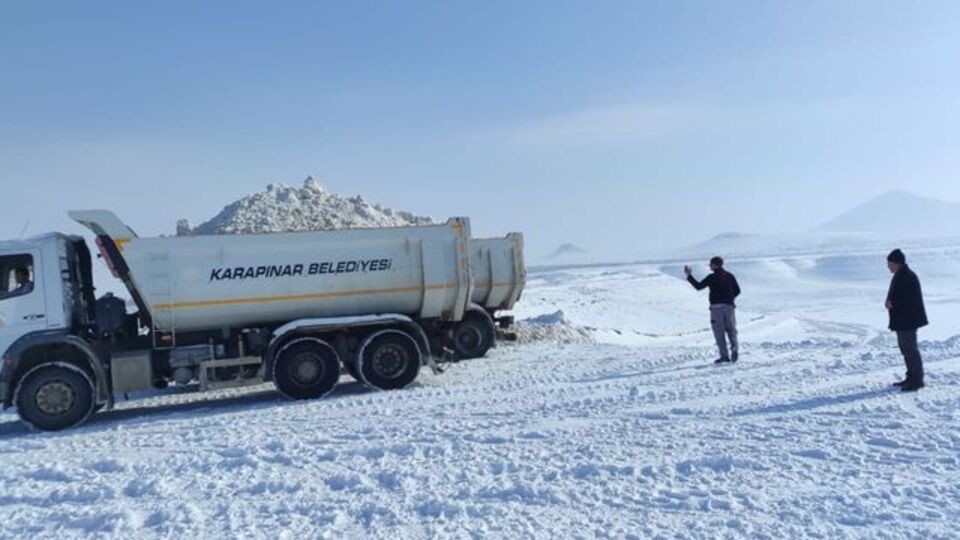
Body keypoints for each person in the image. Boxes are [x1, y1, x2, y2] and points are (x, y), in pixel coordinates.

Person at [685, 256, 741, 364]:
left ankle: (724, 356)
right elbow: (738, 290)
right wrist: (729, 299)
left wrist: (689, 276)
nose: (709, 266)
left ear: (715, 265)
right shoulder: (729, 276)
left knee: (719, 332)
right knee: (731, 330)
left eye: (711, 264)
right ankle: (734, 349)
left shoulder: (711, 277)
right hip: (729, 307)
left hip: (716, 308)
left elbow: (698, 286)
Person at [885, 249, 928, 392]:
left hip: (908, 321)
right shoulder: (901, 275)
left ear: (897, 263)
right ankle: (911, 377)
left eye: (890, 263)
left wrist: (893, 303)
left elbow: (910, 300)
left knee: (910, 350)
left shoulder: (907, 276)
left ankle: (917, 380)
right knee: (906, 350)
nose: (888, 266)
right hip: (903, 321)